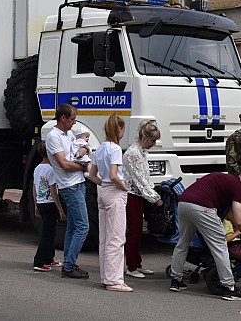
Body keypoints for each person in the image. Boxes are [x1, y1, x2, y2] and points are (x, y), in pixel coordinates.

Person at [169, 168, 241, 301]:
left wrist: (239, 229)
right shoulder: (238, 188)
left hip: (184, 203)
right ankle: (228, 288)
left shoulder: (226, 179)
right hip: (202, 206)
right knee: (220, 246)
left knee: (183, 242)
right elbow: (240, 220)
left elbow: (230, 215)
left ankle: (176, 280)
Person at [45, 103, 94, 279]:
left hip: (78, 184)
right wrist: (83, 167)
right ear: (63, 118)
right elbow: (64, 164)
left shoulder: (69, 134)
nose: (74, 122)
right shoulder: (53, 137)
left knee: (73, 227)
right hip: (69, 186)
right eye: (72, 119)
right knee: (83, 226)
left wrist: (85, 149)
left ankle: (69, 262)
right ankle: (69, 265)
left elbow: (78, 150)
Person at [89, 113, 131, 292]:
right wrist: (124, 187)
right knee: (117, 237)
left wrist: (104, 183)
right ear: (119, 129)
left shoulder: (99, 148)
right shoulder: (115, 149)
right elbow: (114, 175)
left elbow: (92, 175)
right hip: (114, 193)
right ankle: (114, 280)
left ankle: (106, 277)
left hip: (103, 191)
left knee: (105, 238)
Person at [123, 120, 162, 279]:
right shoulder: (134, 154)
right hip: (131, 194)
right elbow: (139, 179)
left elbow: (144, 178)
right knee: (134, 230)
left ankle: (136, 263)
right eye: (152, 141)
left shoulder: (140, 152)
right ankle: (131, 266)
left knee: (138, 230)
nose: (153, 144)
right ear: (145, 138)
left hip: (137, 195)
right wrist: (154, 198)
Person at [32, 141, 66, 271]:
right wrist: (60, 209)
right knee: (48, 233)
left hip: (41, 202)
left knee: (51, 232)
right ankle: (39, 261)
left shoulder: (37, 168)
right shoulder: (51, 169)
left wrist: (36, 204)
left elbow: (34, 187)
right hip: (50, 203)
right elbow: (53, 189)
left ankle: (49, 258)